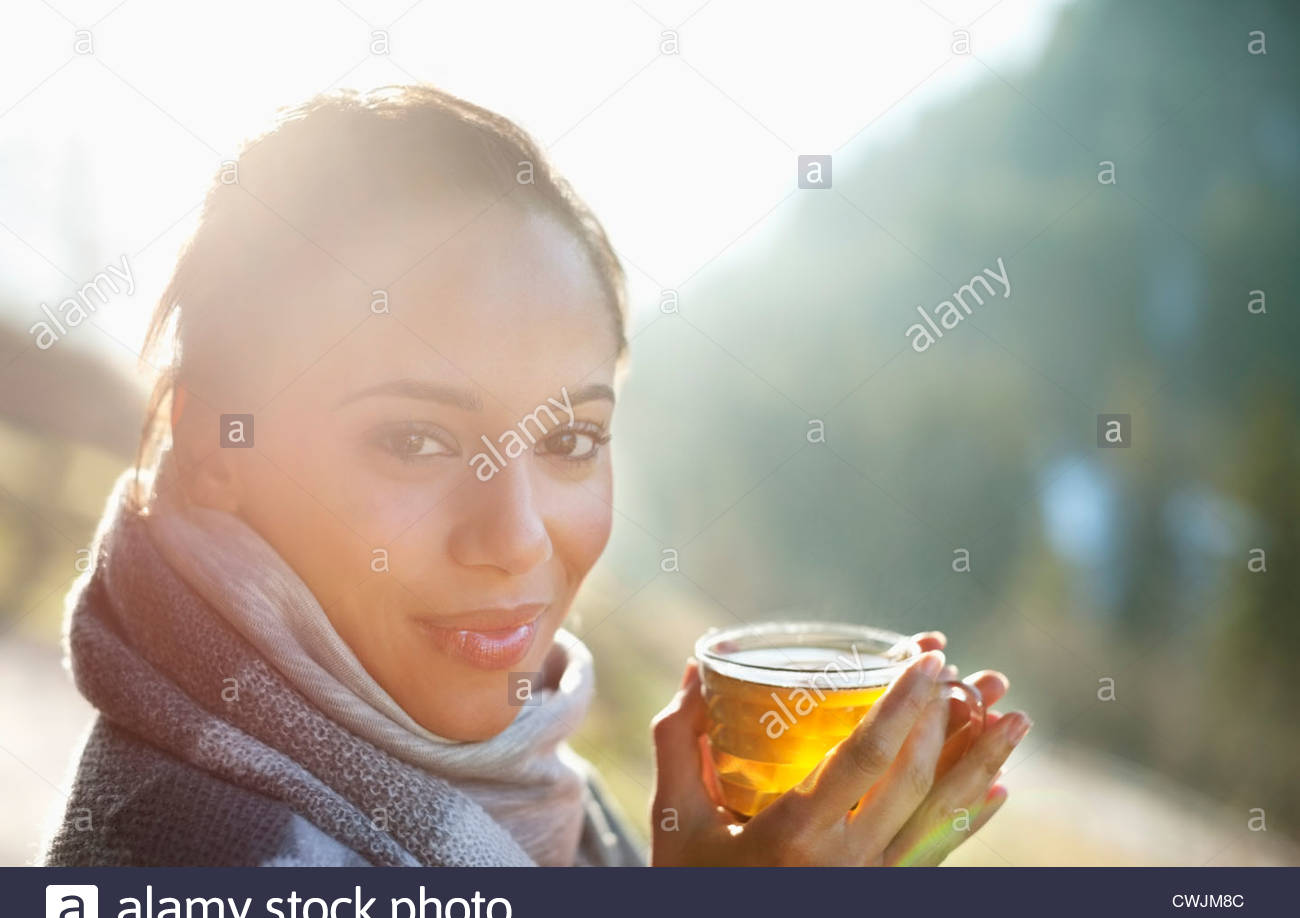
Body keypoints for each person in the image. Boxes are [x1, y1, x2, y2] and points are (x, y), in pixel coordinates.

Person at [41, 83, 1028, 867]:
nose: (513, 536)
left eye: (569, 442)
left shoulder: (537, 802)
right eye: (415, 440)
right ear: (213, 441)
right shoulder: (194, 865)